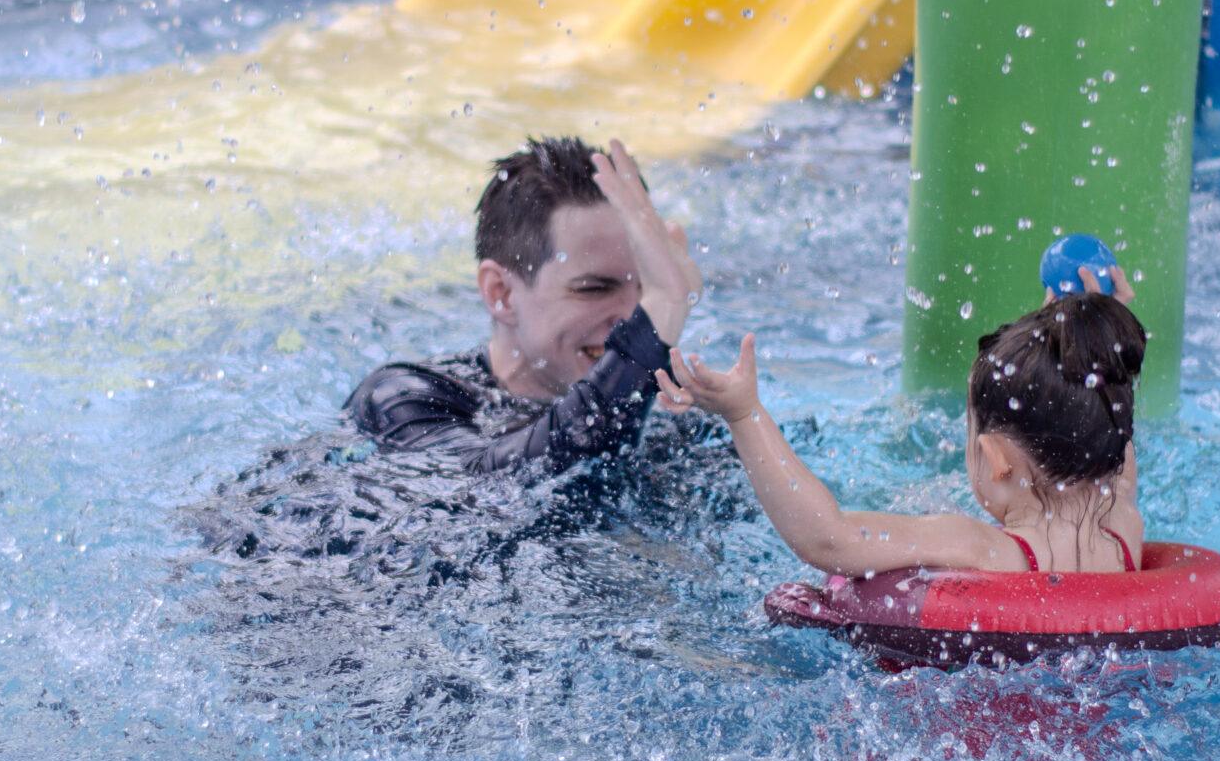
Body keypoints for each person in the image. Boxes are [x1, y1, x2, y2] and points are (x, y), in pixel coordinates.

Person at [656, 286, 1148, 578]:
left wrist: (744, 414)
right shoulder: (1124, 528)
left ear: (995, 457)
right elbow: (1109, 428)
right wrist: (1092, 343)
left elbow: (829, 539)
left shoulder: (982, 549)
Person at [345, 136, 703, 474]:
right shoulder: (400, 400)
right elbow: (483, 486)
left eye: (647, 288)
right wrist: (661, 308)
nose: (632, 315)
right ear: (501, 293)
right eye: (594, 288)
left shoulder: (668, 414)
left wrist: (733, 415)